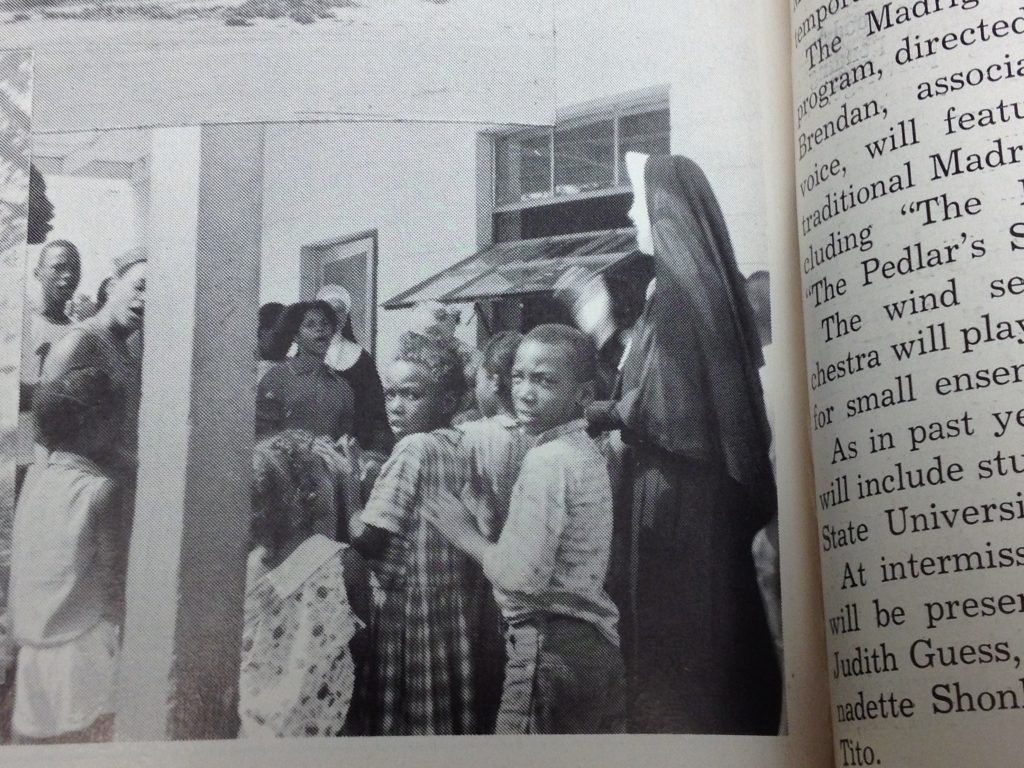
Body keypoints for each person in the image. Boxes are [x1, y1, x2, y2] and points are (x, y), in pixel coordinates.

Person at [580, 152, 780, 734]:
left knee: (673, 627)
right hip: (690, 489)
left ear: (662, 208)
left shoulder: (675, 293)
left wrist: (591, 411)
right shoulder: (684, 288)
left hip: (674, 497)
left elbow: (671, 413)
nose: (629, 209)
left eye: (636, 198)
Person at [426, 324, 626, 734]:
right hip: (592, 647)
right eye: (518, 377)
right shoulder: (583, 451)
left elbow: (522, 576)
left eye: (545, 381)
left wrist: (466, 534)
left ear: (584, 395)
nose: (525, 392)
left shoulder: (548, 460)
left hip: (547, 647)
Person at [339, 332, 478, 736]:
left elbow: (369, 539)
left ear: (449, 402)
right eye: (391, 393)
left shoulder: (413, 447)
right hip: (443, 610)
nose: (396, 405)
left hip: (404, 613)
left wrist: (350, 490)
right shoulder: (457, 444)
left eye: (411, 395)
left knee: (397, 718)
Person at [8, 368, 125, 744]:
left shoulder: (34, 480)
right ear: (95, 423)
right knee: (90, 747)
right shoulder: (100, 491)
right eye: (116, 417)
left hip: (33, 649)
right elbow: (114, 582)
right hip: (82, 649)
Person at [239, 430, 369, 738]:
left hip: (255, 727)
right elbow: (360, 658)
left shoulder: (249, 566)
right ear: (312, 496)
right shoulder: (344, 563)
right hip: (325, 724)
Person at [43, 249, 147, 481]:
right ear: (111, 286)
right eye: (140, 286)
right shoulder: (80, 341)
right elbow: (48, 431)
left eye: (155, 293)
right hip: (81, 490)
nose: (146, 298)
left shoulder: (129, 346)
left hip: (113, 488)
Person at [17, 240, 82, 491]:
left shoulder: (77, 332)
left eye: (75, 268)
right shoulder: (21, 323)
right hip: (19, 444)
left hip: (56, 454)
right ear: (38, 273)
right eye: (58, 267)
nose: (68, 275)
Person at [256, 301, 356, 442]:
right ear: (295, 336)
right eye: (310, 324)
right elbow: (262, 435)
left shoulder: (343, 388)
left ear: (333, 332)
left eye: (325, 324)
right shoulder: (275, 379)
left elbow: (346, 439)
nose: (320, 329)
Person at [316, 286, 392, 454]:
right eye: (329, 310)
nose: (335, 315)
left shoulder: (361, 358)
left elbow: (375, 408)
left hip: (356, 442)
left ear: (346, 315)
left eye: (340, 310)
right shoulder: (304, 354)